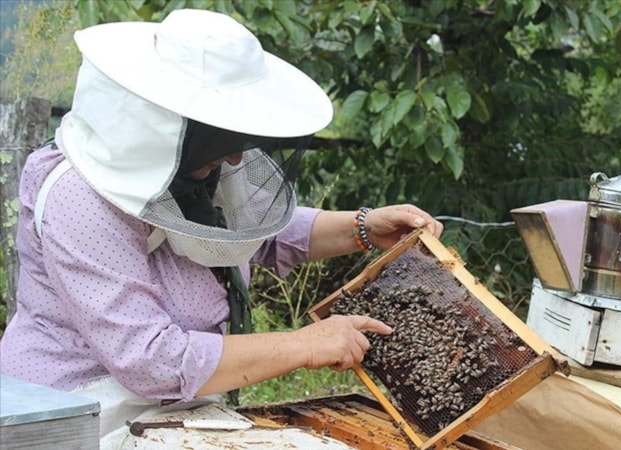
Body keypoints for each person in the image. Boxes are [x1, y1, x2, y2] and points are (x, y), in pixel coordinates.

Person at [0, 8, 443, 447]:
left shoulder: (197, 167)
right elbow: (152, 361)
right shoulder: (79, 196)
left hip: (175, 409)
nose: (234, 158)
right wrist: (305, 345)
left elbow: (260, 232)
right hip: (76, 413)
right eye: (218, 141)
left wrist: (364, 227)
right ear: (164, 124)